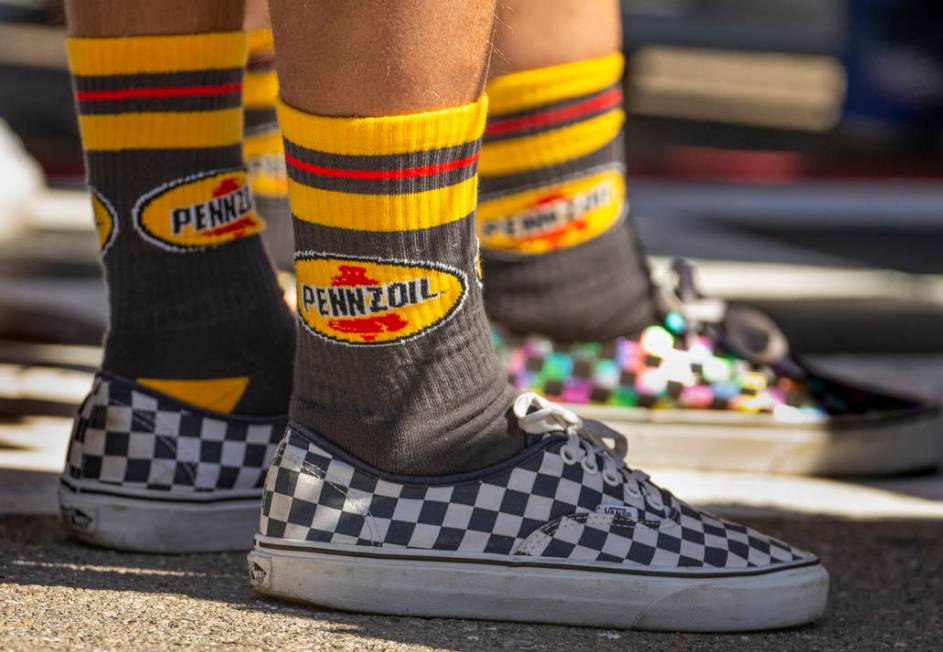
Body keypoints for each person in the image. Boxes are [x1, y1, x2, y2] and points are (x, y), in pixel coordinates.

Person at [59, 0, 840, 632]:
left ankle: (187, 373)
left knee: (192, 331)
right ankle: (407, 441)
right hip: (385, 458)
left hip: (180, 404)